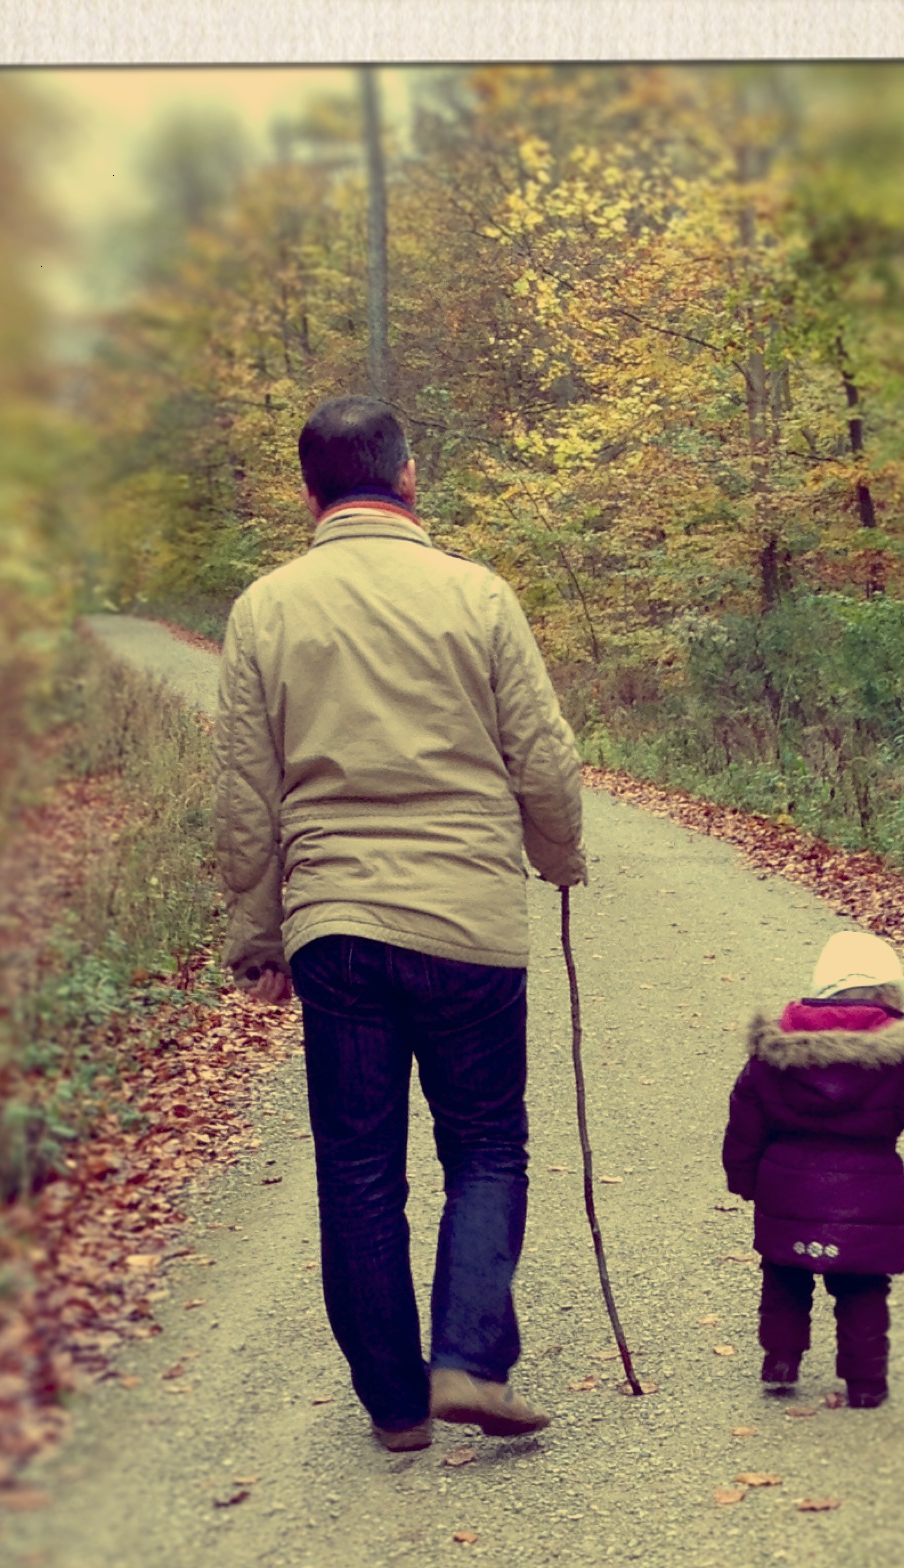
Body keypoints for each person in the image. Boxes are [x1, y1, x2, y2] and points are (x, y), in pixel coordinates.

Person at [215, 395, 587, 1451]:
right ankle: (467, 1357)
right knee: (486, 1143)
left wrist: (260, 935)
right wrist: (557, 858)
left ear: (310, 491)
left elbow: (246, 795)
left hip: (335, 925)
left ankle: (393, 1403)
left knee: (358, 1162)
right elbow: (544, 756)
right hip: (468, 920)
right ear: (409, 477)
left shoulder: (264, 610)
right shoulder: (477, 595)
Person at [721, 929, 904, 1408]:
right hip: (867, 1201)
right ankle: (866, 1383)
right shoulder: (900, 1058)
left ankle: (781, 1361)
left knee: (785, 1275)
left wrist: (745, 1181)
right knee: (862, 1290)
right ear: (887, 994)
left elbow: (744, 1123)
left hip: (786, 1191)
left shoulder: (773, 1053)